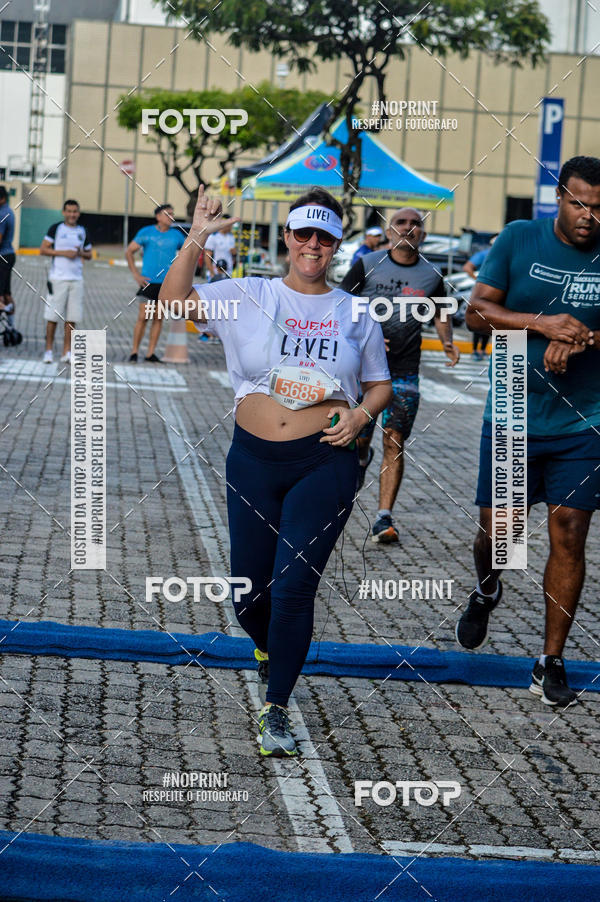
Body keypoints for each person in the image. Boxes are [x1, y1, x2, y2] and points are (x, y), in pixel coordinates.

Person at [160, 185, 392, 757]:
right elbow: (172, 302)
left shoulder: (356, 311)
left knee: (293, 589)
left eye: (325, 236)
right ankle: (269, 647)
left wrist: (362, 416)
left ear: (337, 244)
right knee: (248, 594)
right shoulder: (247, 293)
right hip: (254, 460)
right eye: (303, 233)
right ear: (287, 237)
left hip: (326, 461)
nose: (313, 244)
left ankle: (277, 707)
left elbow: (379, 383)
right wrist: (197, 235)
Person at [456, 155, 600, 708]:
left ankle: (550, 660)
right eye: (578, 202)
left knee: (569, 530)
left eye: (598, 207)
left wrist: (582, 337)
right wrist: (543, 324)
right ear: (559, 198)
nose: (588, 216)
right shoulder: (518, 239)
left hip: (586, 415)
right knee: (503, 536)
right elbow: (476, 314)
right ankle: (487, 587)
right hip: (515, 401)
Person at [341, 208, 460, 542]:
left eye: (415, 223)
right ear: (388, 231)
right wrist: (366, 336)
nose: (409, 228)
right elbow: (340, 306)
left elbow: (440, 312)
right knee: (360, 436)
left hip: (405, 371)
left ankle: (383, 518)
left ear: (422, 232)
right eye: (401, 223)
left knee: (395, 438)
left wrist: (447, 341)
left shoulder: (432, 274)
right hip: (364, 371)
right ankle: (362, 457)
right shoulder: (367, 265)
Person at [126, 203, 185, 363]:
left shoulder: (177, 235)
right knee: (143, 317)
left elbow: (188, 253)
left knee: (158, 318)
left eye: (173, 214)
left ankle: (150, 353)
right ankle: (134, 351)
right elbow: (129, 251)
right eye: (168, 214)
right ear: (158, 216)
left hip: (167, 284)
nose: (171, 217)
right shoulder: (146, 232)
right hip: (148, 282)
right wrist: (136, 275)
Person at [40, 199, 92, 364]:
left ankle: (67, 352)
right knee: (52, 317)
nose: (72, 214)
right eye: (69, 211)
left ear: (78, 213)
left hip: (76, 279)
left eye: (75, 211)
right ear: (64, 212)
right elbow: (43, 249)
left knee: (72, 318)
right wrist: (64, 253)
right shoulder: (56, 228)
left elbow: (89, 254)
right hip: (58, 279)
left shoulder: (83, 230)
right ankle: (48, 351)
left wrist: (80, 253)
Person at [463, 235, 497, 359]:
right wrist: (478, 280)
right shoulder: (486, 255)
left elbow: (467, 267)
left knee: (486, 321)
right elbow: (467, 267)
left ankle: (479, 350)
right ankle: (477, 350)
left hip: (490, 294)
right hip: (484, 294)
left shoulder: (489, 255)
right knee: (482, 320)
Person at [0, 186, 16, 321]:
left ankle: (6, 310)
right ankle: (11, 328)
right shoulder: (9, 211)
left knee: (1, 295)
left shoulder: (2, 214)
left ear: (2, 199)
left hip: (3, 256)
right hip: (9, 254)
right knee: (6, 293)